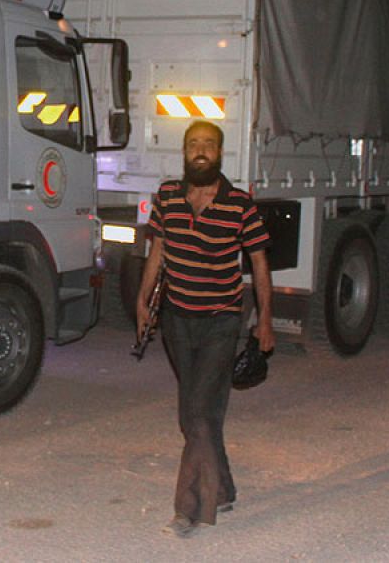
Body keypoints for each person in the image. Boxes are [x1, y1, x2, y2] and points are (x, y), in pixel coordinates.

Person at [136, 120, 273, 538]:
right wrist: (143, 301)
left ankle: (191, 508)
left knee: (196, 413)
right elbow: (157, 249)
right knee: (202, 413)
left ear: (219, 153)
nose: (200, 151)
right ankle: (226, 488)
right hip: (177, 319)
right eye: (193, 144)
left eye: (208, 145)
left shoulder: (240, 204)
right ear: (184, 152)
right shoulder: (167, 197)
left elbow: (259, 263)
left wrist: (264, 318)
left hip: (221, 320)